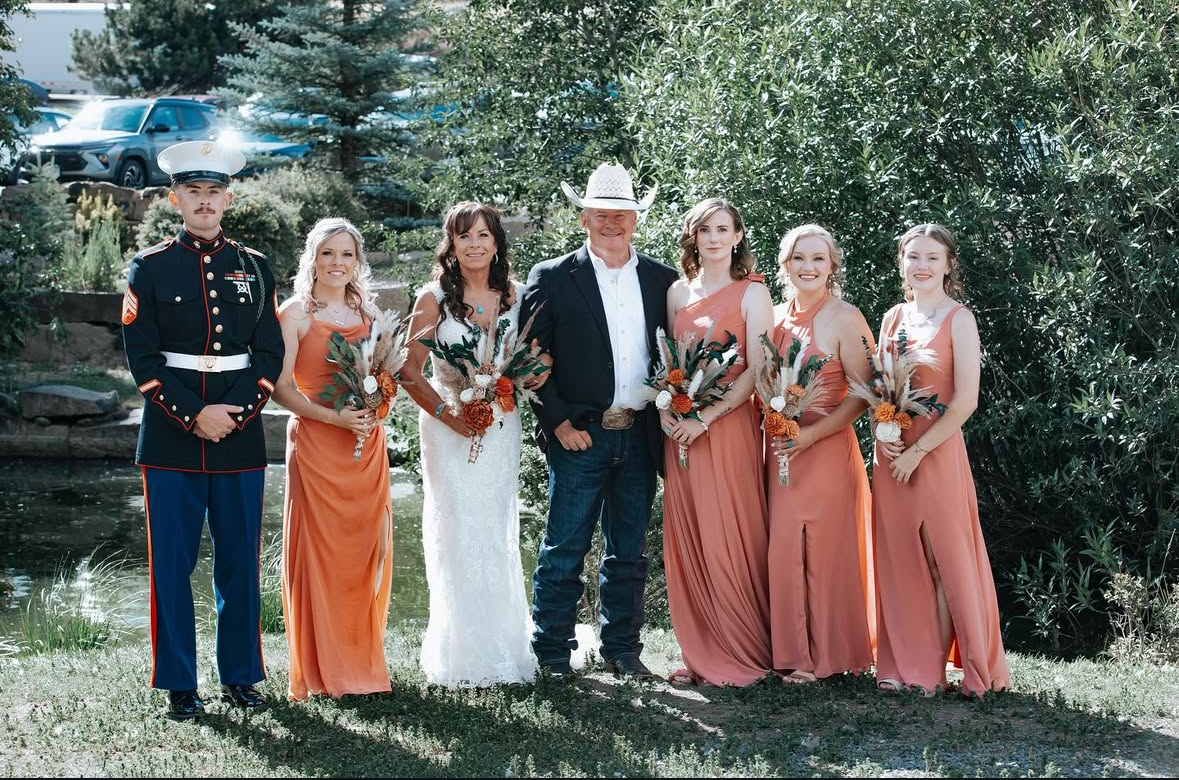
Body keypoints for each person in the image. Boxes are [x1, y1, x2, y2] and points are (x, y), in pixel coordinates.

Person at [122, 140, 284, 720]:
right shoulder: (150, 266)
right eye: (194, 191)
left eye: (214, 191)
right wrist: (195, 414)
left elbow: (268, 353)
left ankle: (241, 676)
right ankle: (179, 682)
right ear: (175, 199)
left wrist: (235, 412)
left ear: (229, 199)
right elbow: (143, 359)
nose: (205, 201)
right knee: (172, 563)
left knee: (239, 560)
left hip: (239, 433)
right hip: (171, 436)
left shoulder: (256, 268)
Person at [520, 164, 678, 680]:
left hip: (639, 432)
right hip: (579, 433)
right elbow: (528, 359)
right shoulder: (551, 276)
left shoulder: (662, 280)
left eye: (622, 215)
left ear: (637, 220)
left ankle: (623, 651)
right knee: (564, 548)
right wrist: (559, 423)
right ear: (584, 218)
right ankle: (551, 653)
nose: (612, 223)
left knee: (628, 551)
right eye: (601, 214)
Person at [400, 202, 544, 687]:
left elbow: (532, 361)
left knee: (497, 527)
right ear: (451, 244)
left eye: (483, 235)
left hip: (502, 425)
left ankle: (505, 645)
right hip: (448, 427)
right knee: (458, 529)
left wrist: (523, 379)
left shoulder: (515, 296)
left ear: (497, 241)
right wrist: (451, 415)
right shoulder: (434, 298)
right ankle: (461, 653)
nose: (475, 245)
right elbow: (407, 370)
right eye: (465, 237)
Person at [873, 223, 1011, 697]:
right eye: (913, 257)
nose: (922, 265)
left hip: (936, 453)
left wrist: (917, 452)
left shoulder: (960, 319)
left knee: (942, 559)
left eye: (933, 257)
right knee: (900, 561)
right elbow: (880, 387)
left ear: (949, 265)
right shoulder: (892, 317)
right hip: (891, 455)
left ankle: (935, 671)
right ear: (902, 264)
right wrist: (883, 431)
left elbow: (966, 400)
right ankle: (905, 664)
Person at [272, 218, 393, 700]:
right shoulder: (295, 314)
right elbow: (281, 389)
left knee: (367, 552)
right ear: (313, 258)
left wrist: (380, 405)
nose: (337, 263)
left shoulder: (371, 314)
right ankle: (324, 672)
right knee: (323, 556)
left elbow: (387, 375)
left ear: (357, 261)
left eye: (346, 255)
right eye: (328, 254)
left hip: (365, 447)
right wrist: (334, 419)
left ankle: (364, 664)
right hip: (320, 445)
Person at [660, 198, 774, 686]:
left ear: (737, 236)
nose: (713, 238)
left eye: (722, 229)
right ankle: (700, 650)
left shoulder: (752, 294)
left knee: (732, 532)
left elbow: (757, 371)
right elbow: (670, 364)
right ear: (693, 237)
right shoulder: (676, 293)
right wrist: (669, 408)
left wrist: (705, 417)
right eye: (704, 229)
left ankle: (743, 648)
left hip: (726, 429)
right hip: (679, 432)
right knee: (690, 537)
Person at [765, 225, 875, 684]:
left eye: (818, 258)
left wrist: (811, 436)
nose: (808, 267)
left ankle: (826, 656)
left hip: (826, 447)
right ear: (785, 266)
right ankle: (792, 653)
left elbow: (863, 391)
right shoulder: (771, 317)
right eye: (798, 258)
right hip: (780, 449)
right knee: (785, 548)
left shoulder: (847, 318)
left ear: (833, 265)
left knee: (825, 548)